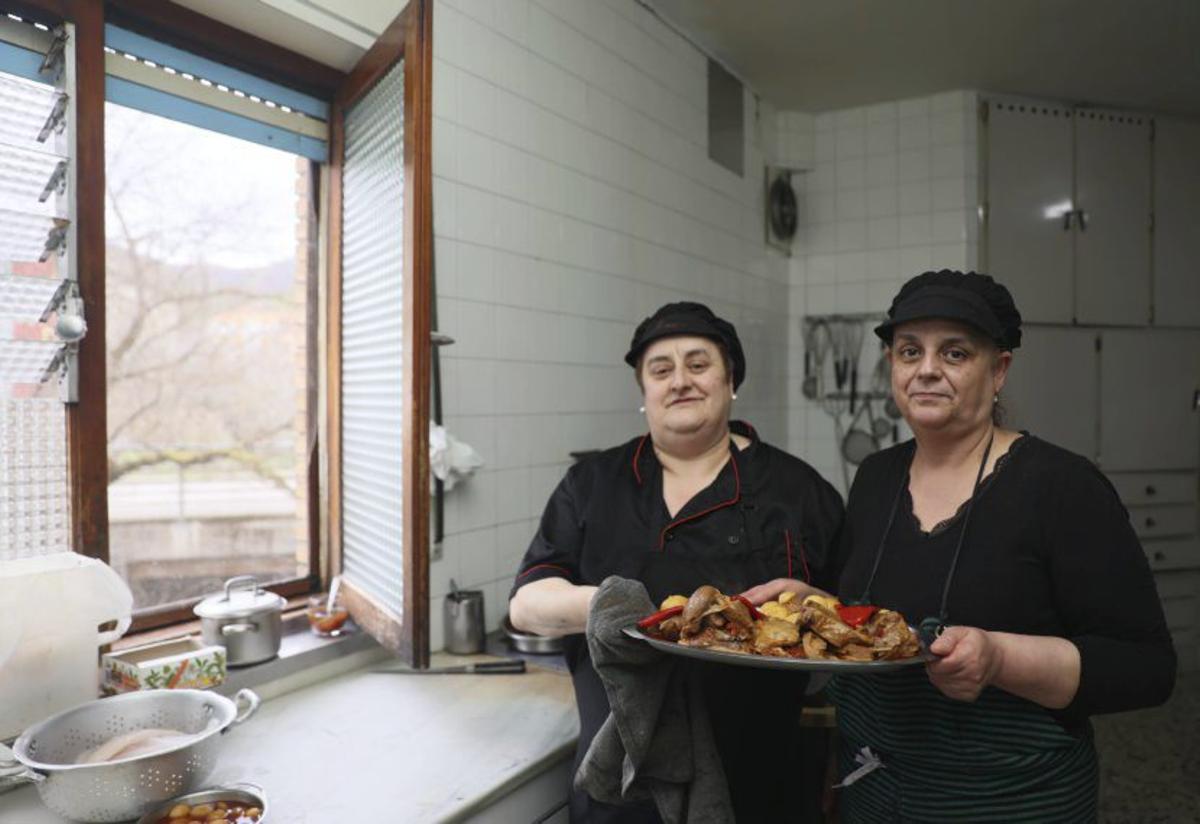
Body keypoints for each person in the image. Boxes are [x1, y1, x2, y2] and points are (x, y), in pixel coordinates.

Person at [829, 270, 1176, 822]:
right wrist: (803, 602)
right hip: (875, 787)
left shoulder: (1062, 486)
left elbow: (1147, 667)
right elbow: (857, 615)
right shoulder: (874, 477)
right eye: (909, 351)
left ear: (999, 371)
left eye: (955, 353)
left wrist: (999, 658)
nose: (926, 370)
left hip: (1010, 797)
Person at [509, 301, 844, 823]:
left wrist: (814, 606)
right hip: (622, 781)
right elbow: (526, 605)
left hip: (757, 778)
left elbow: (852, 619)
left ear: (731, 380)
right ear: (644, 392)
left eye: (698, 364)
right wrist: (616, 607)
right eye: (660, 370)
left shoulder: (797, 490)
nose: (680, 381)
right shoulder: (593, 484)